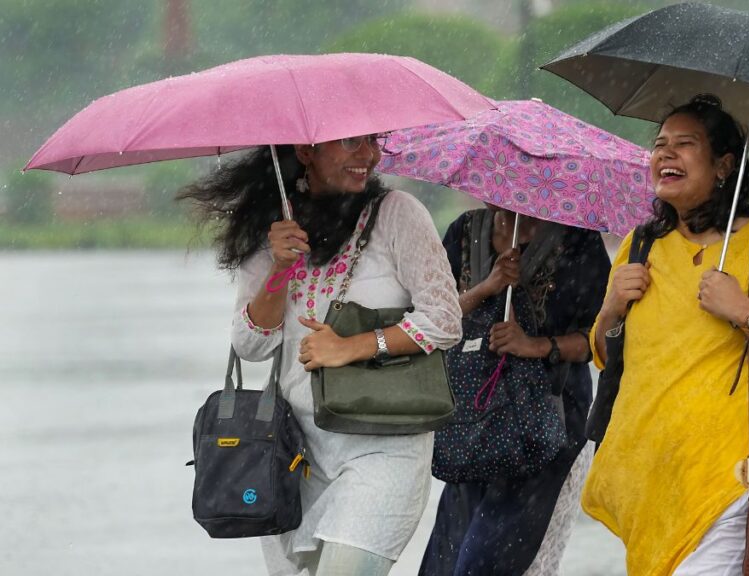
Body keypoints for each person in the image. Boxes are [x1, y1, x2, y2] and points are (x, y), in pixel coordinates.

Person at [178, 136, 462, 576]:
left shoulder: (398, 214)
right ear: (307, 152)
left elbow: (444, 320)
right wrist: (279, 268)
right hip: (294, 456)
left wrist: (354, 346)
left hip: (384, 449)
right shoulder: (275, 229)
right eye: (351, 143)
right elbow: (250, 346)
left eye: (373, 142)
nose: (367, 155)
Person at [583, 94, 749, 576]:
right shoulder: (640, 245)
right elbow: (605, 355)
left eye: (684, 144)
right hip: (652, 482)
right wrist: (612, 306)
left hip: (735, 475)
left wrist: (744, 312)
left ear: (723, 166)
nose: (664, 154)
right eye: (659, 144)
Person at [419, 207, 611, 576]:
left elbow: (600, 338)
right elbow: (429, 318)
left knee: (492, 563)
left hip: (545, 430)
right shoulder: (465, 230)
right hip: (470, 424)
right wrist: (485, 289)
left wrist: (535, 346)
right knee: (447, 559)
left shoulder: (577, 241)